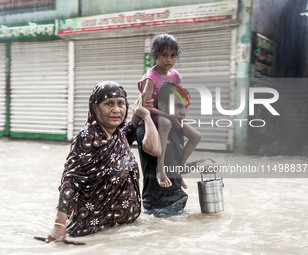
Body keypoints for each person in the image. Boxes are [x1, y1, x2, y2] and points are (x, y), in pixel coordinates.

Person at [46, 81, 158, 242]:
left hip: (124, 230)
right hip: (93, 233)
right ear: (95, 107)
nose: (116, 110)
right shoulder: (88, 137)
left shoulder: (119, 136)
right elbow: (70, 180)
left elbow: (132, 129)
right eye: (109, 104)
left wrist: (143, 109)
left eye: (121, 104)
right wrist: (59, 224)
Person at [136, 83, 214, 218]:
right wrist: (147, 115)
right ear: (162, 106)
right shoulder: (147, 131)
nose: (183, 112)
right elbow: (149, 148)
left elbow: (176, 168)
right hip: (159, 208)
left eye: (186, 107)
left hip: (177, 202)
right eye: (178, 106)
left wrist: (198, 163)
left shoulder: (177, 133)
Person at [135, 33, 199, 189]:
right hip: (154, 117)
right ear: (154, 55)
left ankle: (180, 168)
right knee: (165, 123)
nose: (169, 60)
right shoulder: (151, 78)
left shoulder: (176, 77)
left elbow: (176, 99)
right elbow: (145, 108)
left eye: (172, 55)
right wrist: (169, 116)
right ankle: (160, 168)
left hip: (169, 115)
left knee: (196, 136)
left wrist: (176, 115)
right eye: (164, 55)